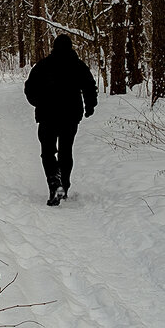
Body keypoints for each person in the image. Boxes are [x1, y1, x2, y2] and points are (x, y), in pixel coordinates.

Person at [24, 34, 98, 206]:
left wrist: (38, 102)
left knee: (48, 152)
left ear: (54, 47)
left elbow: (29, 88)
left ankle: (55, 183)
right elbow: (89, 85)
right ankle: (63, 185)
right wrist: (90, 106)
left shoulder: (43, 65)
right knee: (66, 151)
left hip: (47, 115)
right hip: (70, 115)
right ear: (71, 47)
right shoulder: (78, 66)